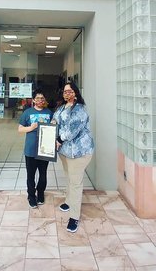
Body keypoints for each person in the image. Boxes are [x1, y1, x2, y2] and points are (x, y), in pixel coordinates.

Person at [53, 81, 94, 233]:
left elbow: (72, 131)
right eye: (65, 91)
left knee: (76, 182)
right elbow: (55, 120)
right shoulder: (62, 107)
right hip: (65, 152)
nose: (67, 93)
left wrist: (58, 140)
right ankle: (69, 201)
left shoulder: (80, 110)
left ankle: (74, 217)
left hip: (79, 152)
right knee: (69, 177)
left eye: (70, 91)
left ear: (76, 92)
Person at [18, 88, 53, 208]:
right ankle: (31, 196)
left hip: (45, 149)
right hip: (30, 150)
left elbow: (53, 129)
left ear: (45, 100)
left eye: (42, 98)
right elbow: (20, 129)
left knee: (43, 175)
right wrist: (31, 128)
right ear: (33, 100)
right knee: (30, 175)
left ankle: (41, 193)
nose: (40, 100)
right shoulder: (27, 112)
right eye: (37, 98)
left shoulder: (49, 113)